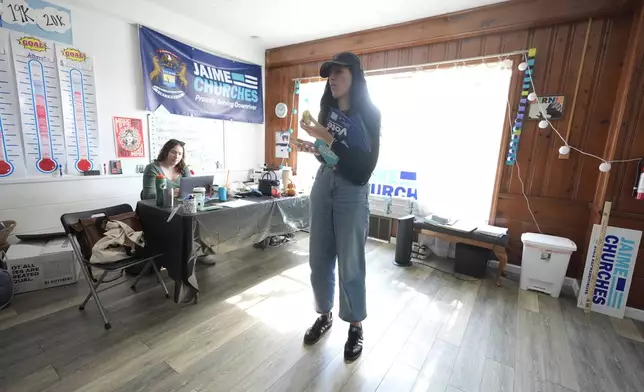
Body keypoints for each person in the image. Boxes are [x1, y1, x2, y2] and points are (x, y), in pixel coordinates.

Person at [298, 52, 381, 362]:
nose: (332, 78)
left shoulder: (370, 114)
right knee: (318, 259)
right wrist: (316, 147)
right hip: (323, 186)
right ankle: (324, 315)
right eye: (329, 74)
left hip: (352, 192)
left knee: (350, 263)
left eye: (339, 73)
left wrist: (326, 138)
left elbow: (363, 168)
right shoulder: (328, 111)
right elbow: (328, 157)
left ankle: (355, 326)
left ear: (355, 76)